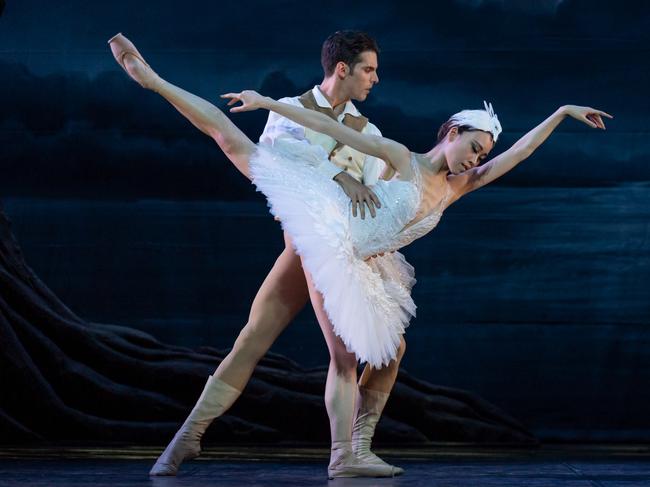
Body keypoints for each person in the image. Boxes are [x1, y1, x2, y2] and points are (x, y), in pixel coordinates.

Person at [108, 32, 612, 478]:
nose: (477, 160)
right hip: (325, 232)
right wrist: (268, 103)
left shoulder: (452, 182)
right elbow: (325, 139)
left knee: (373, 351)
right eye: (475, 148)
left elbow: (516, 153)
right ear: (453, 134)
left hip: (353, 248)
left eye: (483, 154)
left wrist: (562, 113)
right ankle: (151, 80)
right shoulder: (399, 154)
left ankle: (196, 444)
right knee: (236, 146)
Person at [108, 32, 408, 478]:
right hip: (307, 245)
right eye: (369, 69)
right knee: (271, 344)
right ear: (341, 68)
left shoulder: (370, 131)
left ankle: (346, 451)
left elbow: (372, 194)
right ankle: (189, 438)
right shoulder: (289, 111)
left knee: (359, 352)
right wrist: (340, 177)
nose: (375, 79)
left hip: (336, 250)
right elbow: (281, 160)